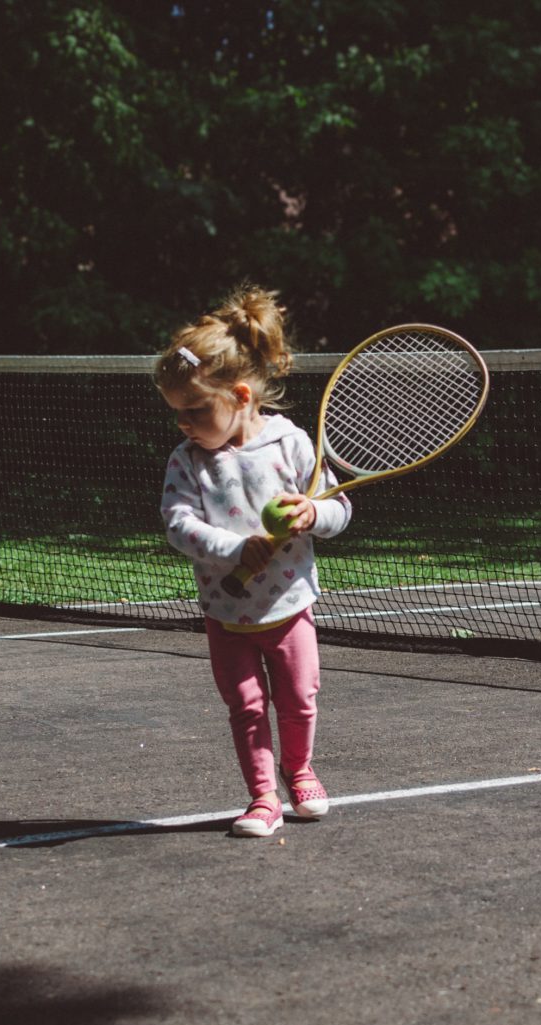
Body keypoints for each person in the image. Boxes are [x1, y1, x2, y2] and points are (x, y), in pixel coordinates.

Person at [154, 284, 351, 838]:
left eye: (195, 410)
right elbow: (178, 525)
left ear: (240, 395)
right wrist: (235, 549)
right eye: (177, 414)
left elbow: (339, 509)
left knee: (299, 700)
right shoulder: (187, 461)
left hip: (289, 607)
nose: (185, 424)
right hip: (226, 613)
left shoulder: (290, 445)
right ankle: (263, 797)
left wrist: (313, 514)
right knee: (246, 707)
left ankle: (300, 770)